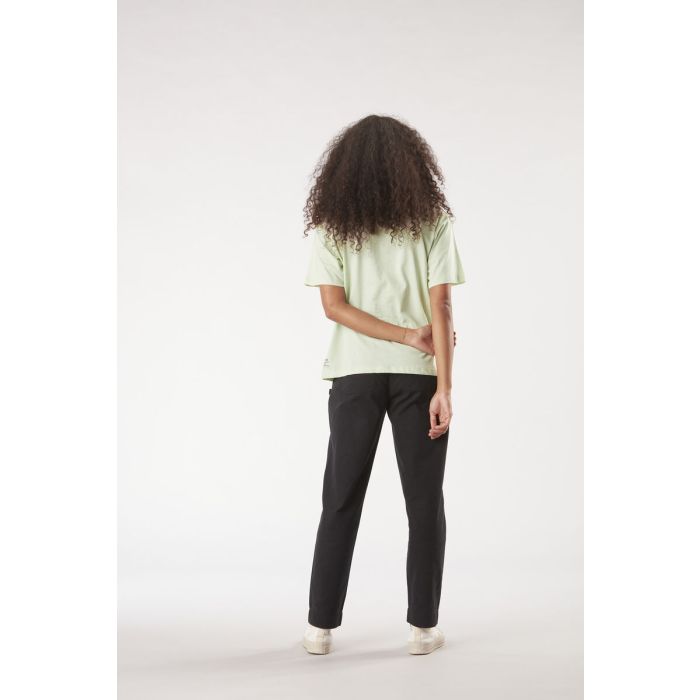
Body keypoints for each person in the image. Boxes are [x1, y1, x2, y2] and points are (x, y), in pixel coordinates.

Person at [301, 115, 465, 656]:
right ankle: (423, 629)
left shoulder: (331, 226)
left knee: (340, 498)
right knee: (424, 503)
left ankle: (319, 629)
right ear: (412, 164)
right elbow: (442, 308)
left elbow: (334, 308)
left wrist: (404, 337)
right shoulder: (433, 221)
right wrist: (444, 386)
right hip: (419, 376)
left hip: (354, 375)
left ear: (342, 169)